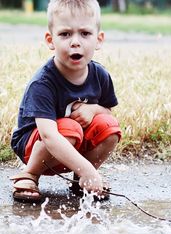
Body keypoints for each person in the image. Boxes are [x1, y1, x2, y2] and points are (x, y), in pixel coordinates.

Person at [10, 0, 121, 202]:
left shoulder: (100, 75)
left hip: (72, 149)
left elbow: (108, 112)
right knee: (69, 128)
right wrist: (88, 168)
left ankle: (81, 180)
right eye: (65, 34)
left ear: (99, 40)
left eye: (85, 33)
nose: (75, 42)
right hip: (36, 148)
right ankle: (29, 175)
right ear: (50, 40)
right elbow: (49, 136)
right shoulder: (43, 82)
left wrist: (94, 109)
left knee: (109, 127)